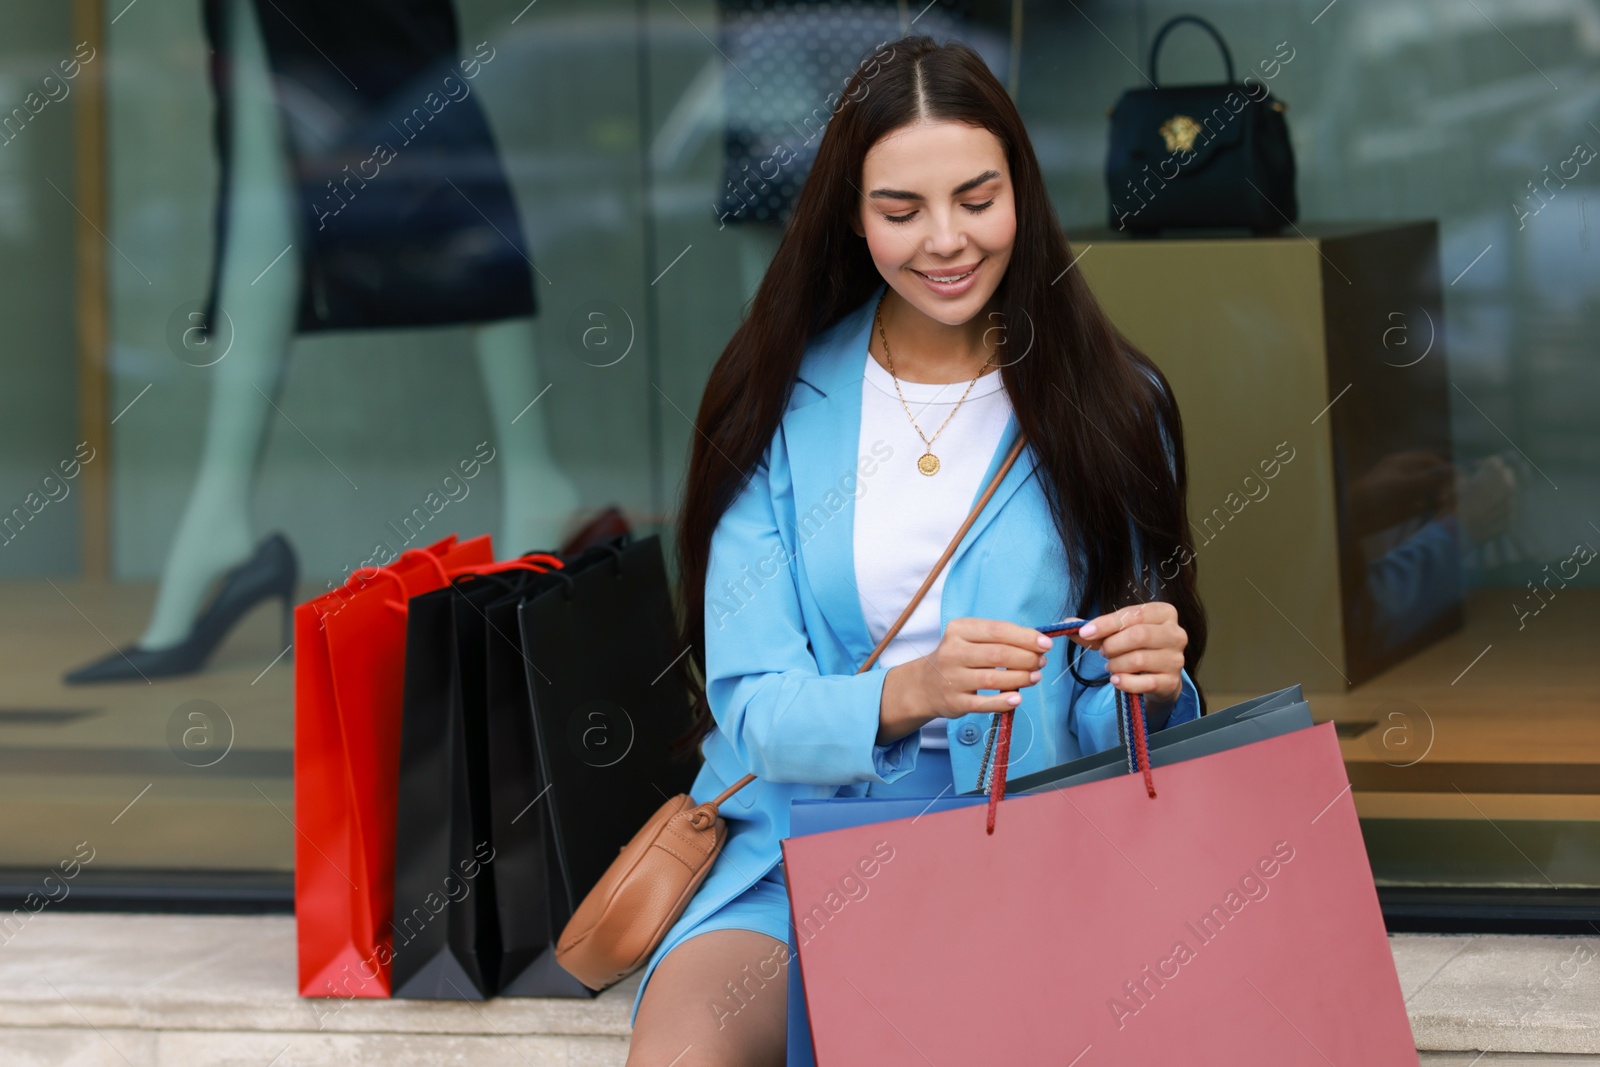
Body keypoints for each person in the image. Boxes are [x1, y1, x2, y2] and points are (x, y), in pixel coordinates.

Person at [628, 35, 1207, 1066]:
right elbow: (752, 704)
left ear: (1020, 193)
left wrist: (1152, 685)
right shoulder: (771, 401)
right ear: (850, 216)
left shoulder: (1114, 403)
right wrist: (911, 691)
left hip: (1032, 830)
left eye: (976, 199)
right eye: (900, 211)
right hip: (790, 842)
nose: (945, 240)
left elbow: (1121, 717)